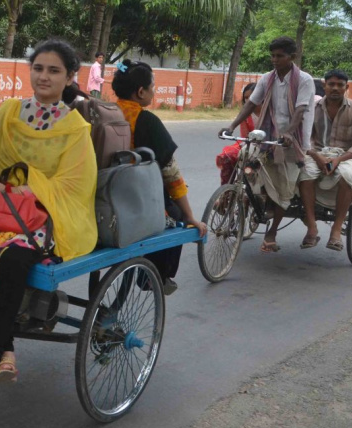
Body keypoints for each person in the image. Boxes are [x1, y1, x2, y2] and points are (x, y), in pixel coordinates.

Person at [0, 39, 98, 400]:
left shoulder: (75, 128)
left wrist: (31, 188)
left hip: (42, 217)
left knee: (13, 262)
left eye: (54, 71)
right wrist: (0, 185)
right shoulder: (8, 112)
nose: (44, 76)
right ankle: (6, 351)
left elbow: (75, 184)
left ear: (70, 77)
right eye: (38, 68)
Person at [112, 60, 207, 293]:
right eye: (152, 87)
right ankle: (156, 277)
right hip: (138, 201)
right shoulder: (147, 121)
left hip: (106, 195)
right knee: (175, 219)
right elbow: (171, 174)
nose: (153, 92)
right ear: (141, 92)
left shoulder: (106, 112)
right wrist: (190, 216)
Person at [220, 36, 315, 253]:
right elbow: (252, 103)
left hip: (294, 140)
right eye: (272, 55)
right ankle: (243, 198)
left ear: (293, 56)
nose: (274, 59)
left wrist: (289, 133)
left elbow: (300, 110)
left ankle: (272, 232)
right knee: (244, 156)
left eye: (279, 56)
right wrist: (232, 126)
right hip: (267, 136)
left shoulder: (304, 80)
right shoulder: (267, 78)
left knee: (284, 187)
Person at [298, 70, 352, 251]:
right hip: (317, 153)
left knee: (347, 176)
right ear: (324, 86)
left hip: (347, 156)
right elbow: (304, 139)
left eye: (340, 85)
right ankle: (312, 228)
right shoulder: (312, 108)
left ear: (347, 87)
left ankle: (336, 230)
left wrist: (338, 160)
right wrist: (316, 156)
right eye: (331, 84)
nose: (335, 88)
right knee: (304, 172)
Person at [217, 83, 259, 185]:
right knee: (226, 156)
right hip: (247, 143)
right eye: (246, 98)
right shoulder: (244, 114)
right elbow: (244, 136)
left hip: (266, 145)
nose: (249, 100)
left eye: (252, 97)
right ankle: (226, 192)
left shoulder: (269, 111)